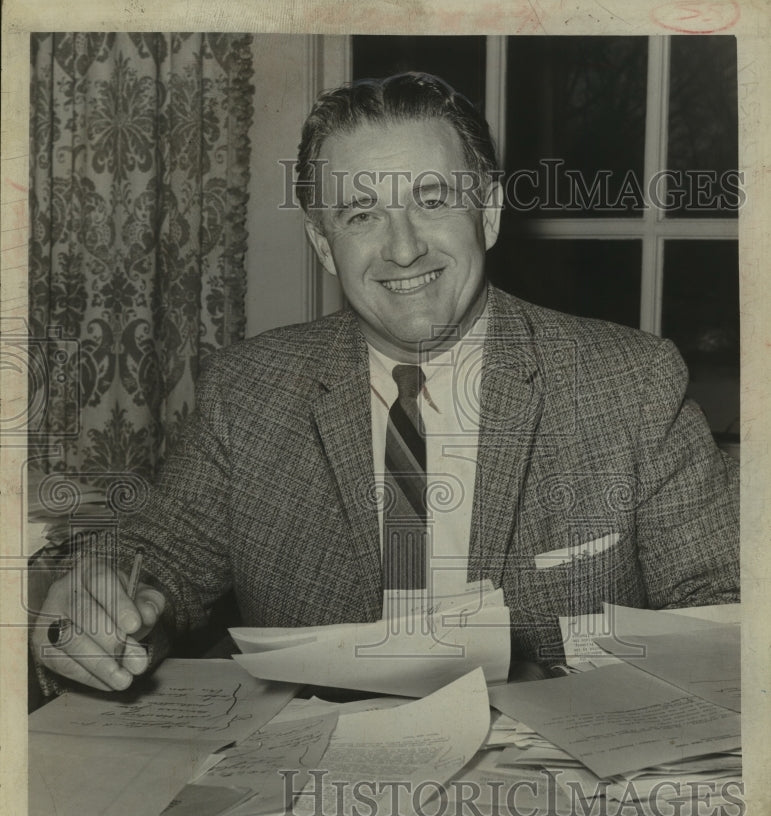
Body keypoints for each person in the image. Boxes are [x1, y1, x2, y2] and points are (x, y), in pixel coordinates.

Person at [30, 72, 739, 694]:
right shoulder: (244, 392)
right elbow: (161, 561)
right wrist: (104, 602)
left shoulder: (628, 382)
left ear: (486, 214)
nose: (402, 248)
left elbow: (721, 602)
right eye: (361, 214)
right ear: (321, 244)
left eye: (432, 201)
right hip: (314, 788)